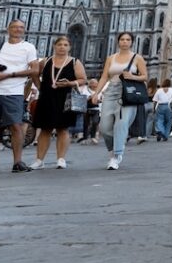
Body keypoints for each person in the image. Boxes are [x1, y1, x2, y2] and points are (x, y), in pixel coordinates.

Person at [88, 32, 148, 170]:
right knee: (104, 127)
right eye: (122, 39)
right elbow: (104, 77)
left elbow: (145, 77)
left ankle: (117, 155)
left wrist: (132, 76)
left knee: (121, 123)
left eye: (128, 40)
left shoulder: (137, 58)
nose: (125, 42)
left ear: (131, 42)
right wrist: (96, 93)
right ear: (118, 41)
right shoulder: (111, 58)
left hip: (128, 94)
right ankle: (112, 151)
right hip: (110, 93)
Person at [30, 36, 87, 170]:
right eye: (59, 44)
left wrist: (70, 83)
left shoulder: (74, 62)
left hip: (65, 98)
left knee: (63, 128)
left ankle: (61, 159)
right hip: (47, 98)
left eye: (65, 45)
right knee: (45, 129)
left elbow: (83, 79)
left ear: (69, 47)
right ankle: (39, 160)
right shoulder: (46, 61)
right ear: (54, 46)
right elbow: (34, 74)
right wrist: (40, 87)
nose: (62, 47)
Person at [0, 19, 41, 174]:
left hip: (14, 92)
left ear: (24, 30)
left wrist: (9, 75)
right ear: (9, 29)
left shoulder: (28, 47)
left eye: (21, 27)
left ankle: (18, 162)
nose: (18, 30)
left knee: (16, 126)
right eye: (15, 27)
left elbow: (34, 70)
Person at [82, 78, 101, 144]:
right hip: (87, 109)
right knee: (86, 124)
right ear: (90, 84)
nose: (95, 84)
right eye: (93, 83)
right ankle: (85, 138)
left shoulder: (99, 90)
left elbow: (101, 99)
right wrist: (91, 97)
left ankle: (93, 137)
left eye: (96, 83)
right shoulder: (85, 90)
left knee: (95, 122)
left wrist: (99, 100)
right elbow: (84, 98)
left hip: (96, 109)